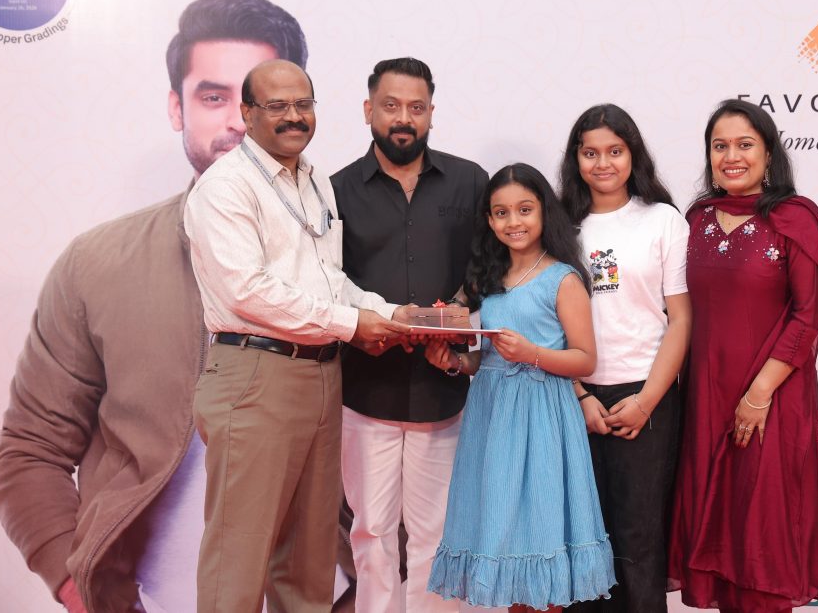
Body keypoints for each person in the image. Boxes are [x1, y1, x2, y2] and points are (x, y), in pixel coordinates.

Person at [0, 0, 308, 613]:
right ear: (176, 107)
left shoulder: (354, 259)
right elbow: (30, 453)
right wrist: (81, 590)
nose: (238, 121)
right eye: (213, 97)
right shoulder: (97, 264)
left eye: (259, 99)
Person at [183, 59, 412, 613]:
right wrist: (353, 325)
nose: (294, 116)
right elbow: (248, 292)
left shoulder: (313, 180)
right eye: (277, 106)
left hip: (320, 374)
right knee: (237, 557)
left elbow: (327, 279)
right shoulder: (225, 187)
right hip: (254, 376)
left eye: (303, 104)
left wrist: (390, 313)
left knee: (309, 556)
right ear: (247, 114)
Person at [667, 99, 818, 612]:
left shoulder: (794, 218)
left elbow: (809, 314)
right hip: (706, 399)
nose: (731, 156)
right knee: (719, 535)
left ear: (768, 153)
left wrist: (759, 393)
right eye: (720, 146)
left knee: (762, 534)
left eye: (745, 144)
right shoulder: (694, 219)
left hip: (771, 401)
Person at [331, 57, 488, 613]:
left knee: (437, 532)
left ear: (431, 114)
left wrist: (461, 310)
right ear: (368, 110)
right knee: (371, 530)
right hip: (364, 389)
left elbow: (486, 264)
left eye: (416, 107)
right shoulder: (335, 191)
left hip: (442, 389)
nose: (404, 118)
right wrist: (364, 326)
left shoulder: (470, 181)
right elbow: (327, 279)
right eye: (391, 106)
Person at [423, 163, 616, 612]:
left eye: (525, 209)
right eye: (501, 212)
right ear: (489, 220)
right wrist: (454, 363)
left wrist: (531, 353)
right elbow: (485, 357)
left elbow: (585, 359)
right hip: (492, 419)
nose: (514, 222)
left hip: (543, 415)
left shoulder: (563, 278)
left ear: (544, 211)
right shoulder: (485, 280)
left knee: (540, 531)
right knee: (505, 535)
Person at [558, 104, 691, 613]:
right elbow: (546, 320)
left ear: (633, 154)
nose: (603, 164)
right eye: (590, 153)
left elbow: (680, 319)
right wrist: (580, 395)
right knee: (583, 543)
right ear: (576, 159)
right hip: (575, 398)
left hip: (646, 396)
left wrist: (646, 401)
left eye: (614, 151)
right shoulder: (560, 226)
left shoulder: (662, 220)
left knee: (639, 543)